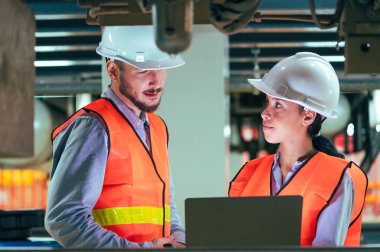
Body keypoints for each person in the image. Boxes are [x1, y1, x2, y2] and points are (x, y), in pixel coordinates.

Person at [45, 26, 186, 249]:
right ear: (113, 71)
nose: (156, 80)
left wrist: (179, 239)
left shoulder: (157, 127)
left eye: (161, 68)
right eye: (143, 70)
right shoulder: (94, 126)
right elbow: (65, 219)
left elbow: (165, 203)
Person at [229, 52, 367, 246]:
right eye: (267, 102)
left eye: (278, 105)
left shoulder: (336, 178)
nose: (264, 113)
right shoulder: (248, 174)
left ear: (308, 116)